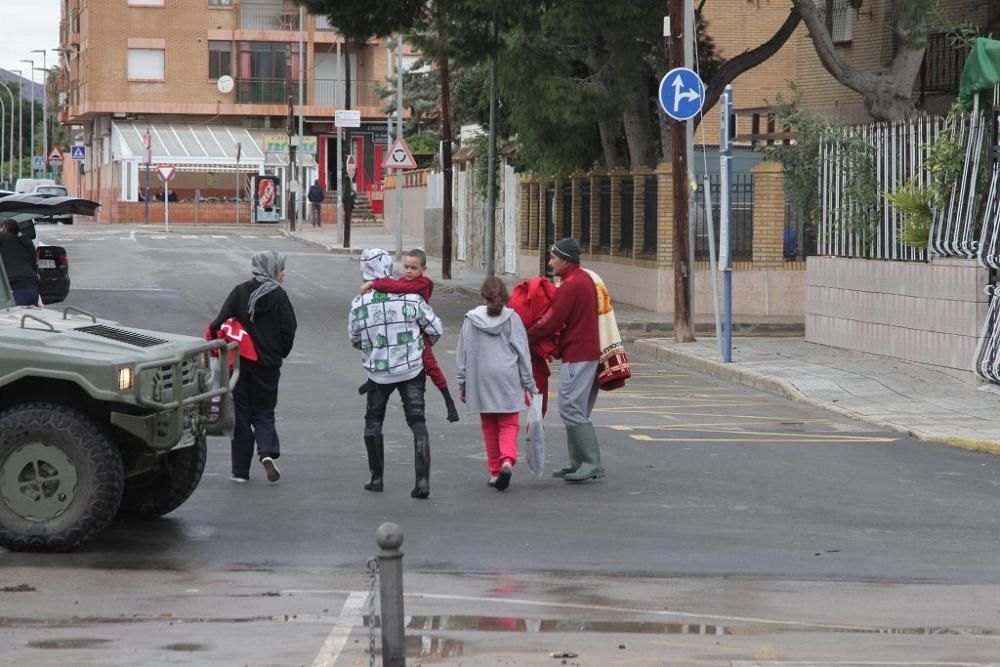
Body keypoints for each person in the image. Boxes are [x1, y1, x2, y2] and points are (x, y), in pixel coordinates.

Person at [350, 248, 443, 499]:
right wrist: (414, 346)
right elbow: (435, 329)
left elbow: (355, 337)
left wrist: (373, 347)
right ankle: (422, 481)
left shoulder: (360, 301)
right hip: (411, 368)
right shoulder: (412, 298)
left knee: (373, 421)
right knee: (417, 419)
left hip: (378, 372)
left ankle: (376, 478)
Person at [210, 251, 297, 484]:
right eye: (281, 269)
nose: (284, 274)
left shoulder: (240, 292)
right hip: (267, 365)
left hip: (239, 363)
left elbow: (219, 322)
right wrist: (279, 352)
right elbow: (289, 329)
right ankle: (266, 453)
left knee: (241, 413)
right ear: (272, 270)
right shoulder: (279, 296)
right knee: (264, 411)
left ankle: (240, 472)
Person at [527, 238, 606, 483]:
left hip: (579, 354)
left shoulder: (571, 285)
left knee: (570, 407)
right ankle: (578, 462)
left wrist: (525, 334)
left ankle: (592, 463)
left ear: (564, 259)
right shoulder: (582, 280)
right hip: (586, 353)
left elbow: (552, 320)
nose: (550, 262)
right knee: (577, 408)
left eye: (553, 257)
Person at [456, 277, 537, 491]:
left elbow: (463, 353)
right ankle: (508, 461)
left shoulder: (470, 319)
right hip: (507, 377)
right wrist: (530, 384)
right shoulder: (513, 319)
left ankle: (494, 471)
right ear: (505, 297)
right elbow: (523, 354)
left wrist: (463, 383)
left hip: (481, 378)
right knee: (509, 423)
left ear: (483, 296)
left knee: (489, 425)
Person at [360, 248, 460, 422]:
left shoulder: (423, 283)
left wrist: (373, 284)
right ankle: (374, 382)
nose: (408, 271)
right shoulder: (402, 281)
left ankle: (449, 402)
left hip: (419, 331)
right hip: (401, 329)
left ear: (423, 269)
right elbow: (393, 290)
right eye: (406, 267)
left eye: (413, 268)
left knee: (430, 364)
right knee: (388, 349)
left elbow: (399, 288)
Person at [0, 221, 40, 306]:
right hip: (33, 285)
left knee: (14, 317)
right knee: (28, 317)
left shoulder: (4, 237)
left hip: (17, 287)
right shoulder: (26, 242)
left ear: (4, 228)